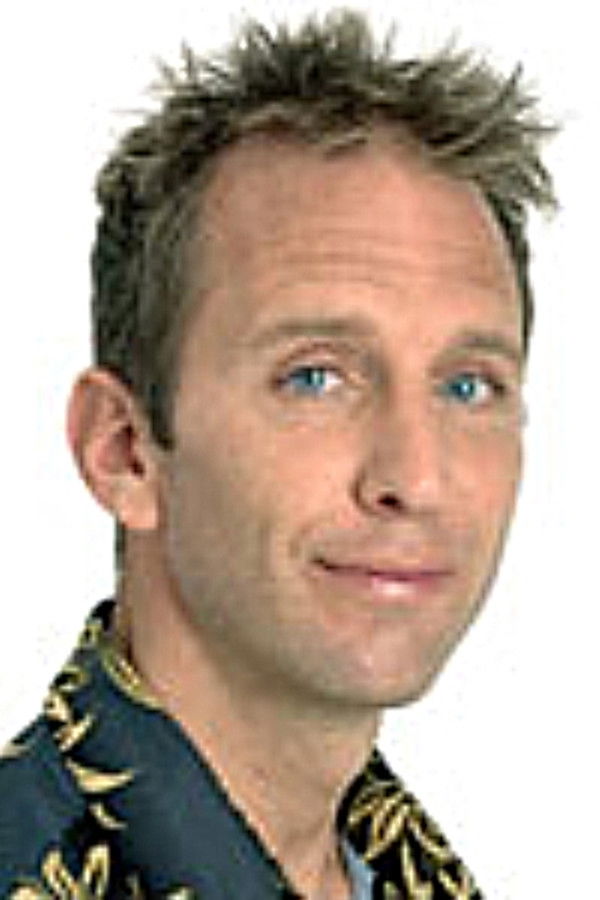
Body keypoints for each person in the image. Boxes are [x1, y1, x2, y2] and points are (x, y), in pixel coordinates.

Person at [0, 9, 557, 898]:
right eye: (316, 378)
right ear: (124, 451)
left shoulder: (406, 873)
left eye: (468, 386)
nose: (416, 478)